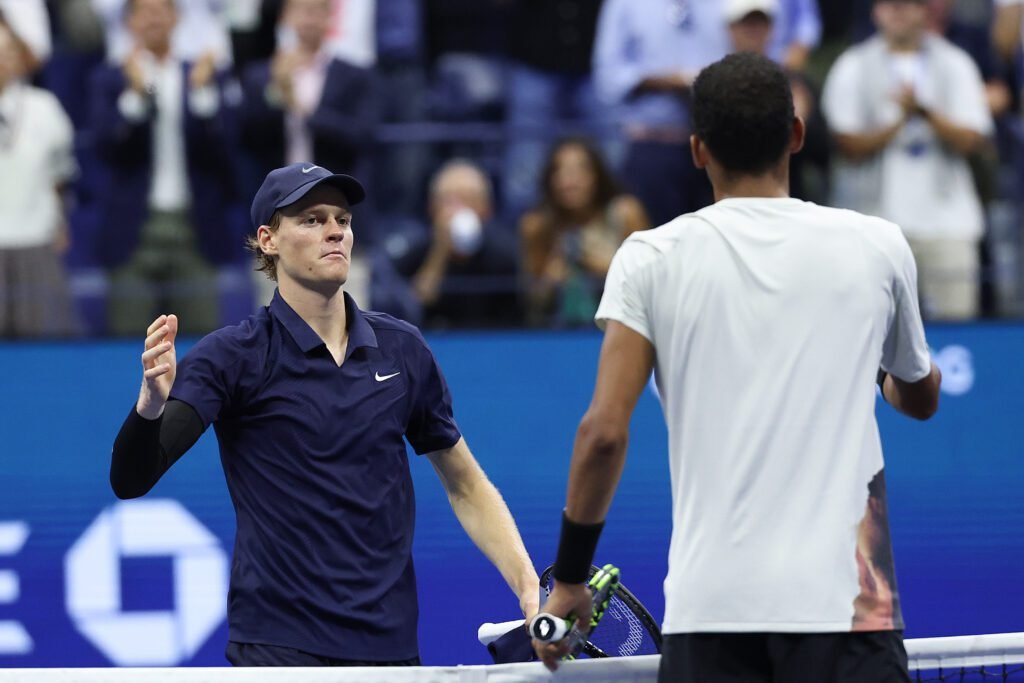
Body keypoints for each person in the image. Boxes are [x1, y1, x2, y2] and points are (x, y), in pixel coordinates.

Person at [532, 52, 942, 683]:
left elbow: (604, 433)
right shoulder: (876, 245)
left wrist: (568, 579)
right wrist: (876, 369)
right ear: (796, 135)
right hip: (847, 612)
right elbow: (919, 395)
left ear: (698, 149)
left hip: (711, 616)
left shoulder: (649, 257)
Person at [110, 162, 540, 665]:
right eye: (312, 219)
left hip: (391, 649)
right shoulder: (231, 356)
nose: (335, 231)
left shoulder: (402, 348)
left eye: (343, 219)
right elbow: (131, 479)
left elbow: (466, 486)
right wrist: (150, 406)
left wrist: (528, 587)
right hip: (279, 650)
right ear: (269, 240)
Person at [821, 0, 993, 320]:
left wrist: (924, 112)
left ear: (925, 11)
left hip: (948, 223)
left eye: (909, 3)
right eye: (890, 3)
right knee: (871, 328)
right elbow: (845, 144)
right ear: (875, 11)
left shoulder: (956, 62)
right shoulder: (853, 64)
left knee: (957, 325)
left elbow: (973, 140)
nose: (898, 10)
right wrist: (899, 122)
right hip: (873, 225)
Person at [90, 0, 237, 335]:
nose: (153, 18)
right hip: (133, 231)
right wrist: (136, 97)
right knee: (128, 341)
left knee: (202, 342)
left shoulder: (203, 75)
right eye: (144, 11)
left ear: (176, 18)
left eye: (161, 10)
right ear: (129, 22)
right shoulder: (110, 78)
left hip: (195, 228)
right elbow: (106, 148)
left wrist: (201, 95)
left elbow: (225, 149)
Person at [0, 18, 78, 337]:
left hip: (36, 241)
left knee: (46, 345)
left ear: (20, 58)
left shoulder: (45, 107)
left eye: (7, 51)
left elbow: (60, 175)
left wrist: (59, 221)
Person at [520, 137, 648, 327]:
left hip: (622, 327)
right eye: (560, 172)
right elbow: (530, 302)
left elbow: (649, 284)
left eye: (580, 171)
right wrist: (550, 280)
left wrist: (605, 267)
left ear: (597, 175)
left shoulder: (626, 214)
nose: (569, 182)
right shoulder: (537, 225)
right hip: (555, 332)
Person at [376, 159, 520, 328]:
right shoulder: (414, 253)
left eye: (468, 199)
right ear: (431, 208)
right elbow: (413, 311)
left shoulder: (506, 255)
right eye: (449, 201)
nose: (458, 209)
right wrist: (440, 249)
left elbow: (518, 317)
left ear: (487, 208)